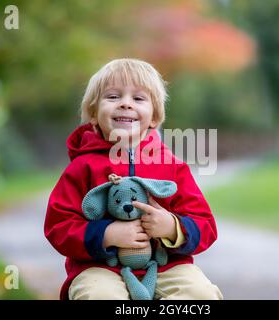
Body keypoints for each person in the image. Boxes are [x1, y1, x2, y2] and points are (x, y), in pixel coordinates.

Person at [44, 58, 223, 300]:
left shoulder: (171, 165)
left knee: (201, 294)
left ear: (154, 118)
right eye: (113, 97)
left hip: (166, 266)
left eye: (138, 99)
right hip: (100, 268)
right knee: (99, 296)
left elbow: (205, 224)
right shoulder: (82, 166)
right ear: (94, 115)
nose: (126, 104)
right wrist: (107, 234)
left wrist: (172, 227)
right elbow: (58, 225)